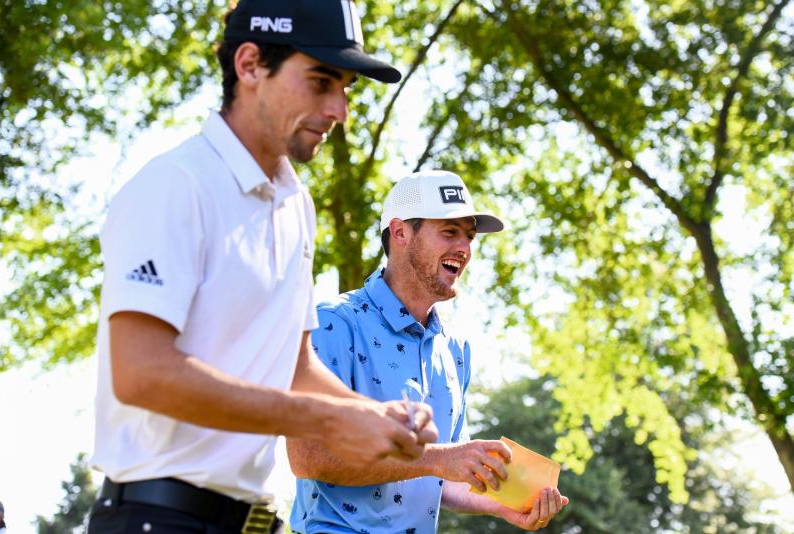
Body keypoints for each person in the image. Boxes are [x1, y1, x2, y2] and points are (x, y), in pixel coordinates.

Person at [87, 1, 437, 532]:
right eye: (321, 81)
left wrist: (371, 414)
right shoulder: (174, 185)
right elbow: (141, 374)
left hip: (257, 522)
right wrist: (326, 420)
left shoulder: (296, 204)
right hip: (157, 517)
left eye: (345, 87)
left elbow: (293, 365)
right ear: (250, 65)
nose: (340, 109)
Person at [288, 170, 569, 533]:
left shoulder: (456, 349)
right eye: (449, 232)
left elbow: (443, 477)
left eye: (469, 236)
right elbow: (309, 457)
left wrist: (506, 507)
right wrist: (438, 460)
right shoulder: (334, 324)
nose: (464, 249)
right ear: (401, 232)